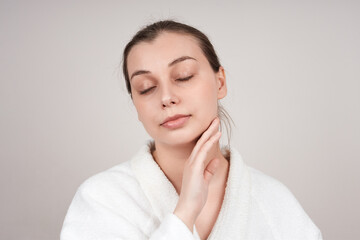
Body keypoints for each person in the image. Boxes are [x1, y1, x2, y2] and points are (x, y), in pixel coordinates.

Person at [60, 20, 322, 240]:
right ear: (136, 106)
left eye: (183, 76)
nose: (166, 97)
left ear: (220, 82)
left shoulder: (274, 200)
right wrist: (185, 212)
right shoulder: (102, 198)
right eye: (146, 88)